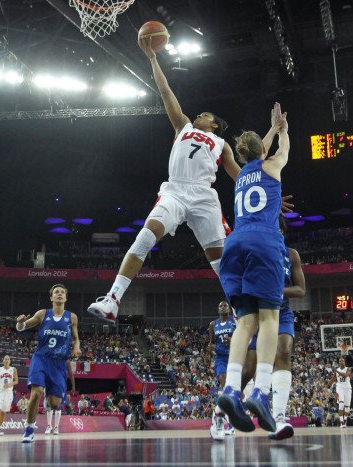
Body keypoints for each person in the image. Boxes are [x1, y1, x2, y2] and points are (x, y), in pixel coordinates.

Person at [86, 35, 241, 324]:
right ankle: (113, 300)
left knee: (222, 262)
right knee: (146, 235)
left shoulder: (221, 144)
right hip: (175, 190)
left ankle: (239, 309)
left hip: (205, 196)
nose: (198, 114)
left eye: (205, 114)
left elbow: (239, 176)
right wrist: (153, 59)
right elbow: (165, 90)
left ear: (215, 125)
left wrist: (265, 191)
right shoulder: (182, 125)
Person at [217, 103, 290, 435]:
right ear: (263, 150)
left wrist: (270, 130)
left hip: (235, 242)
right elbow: (280, 152)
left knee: (245, 323)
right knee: (269, 318)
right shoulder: (272, 165)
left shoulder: (241, 175)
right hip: (263, 239)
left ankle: (231, 388)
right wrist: (283, 132)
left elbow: (254, 149)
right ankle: (260, 388)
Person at [239, 216, 305, 441]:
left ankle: (279, 418)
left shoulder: (291, 255)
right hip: (258, 315)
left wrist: (278, 290)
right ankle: (222, 412)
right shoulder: (255, 252)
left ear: (282, 232)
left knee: (284, 351)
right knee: (248, 371)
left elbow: (300, 289)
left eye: (277, 229)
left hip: (282, 313)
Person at [15, 284, 82, 442]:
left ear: (65, 298)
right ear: (51, 298)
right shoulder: (43, 314)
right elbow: (23, 327)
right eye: (56, 292)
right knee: (36, 392)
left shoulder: (72, 317)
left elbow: (76, 337)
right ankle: (29, 429)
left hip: (58, 363)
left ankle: (48, 393)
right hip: (41, 358)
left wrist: (77, 346)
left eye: (62, 292)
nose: (59, 294)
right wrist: (19, 323)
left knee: (54, 404)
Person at [209, 300, 236, 441]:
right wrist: (210, 348)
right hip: (221, 359)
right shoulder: (213, 325)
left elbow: (242, 337)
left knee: (234, 391)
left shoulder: (234, 321)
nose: (223, 306)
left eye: (226, 305)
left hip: (234, 356)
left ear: (229, 309)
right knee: (225, 386)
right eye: (221, 305)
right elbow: (211, 343)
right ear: (218, 310)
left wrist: (233, 340)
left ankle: (228, 421)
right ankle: (221, 418)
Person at [0, 355, 18, 436]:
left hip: (8, 392)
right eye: (5, 359)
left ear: (10, 361)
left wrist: (10, 384)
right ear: (3, 360)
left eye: (8, 359)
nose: (6, 360)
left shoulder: (13, 369)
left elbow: (16, 381)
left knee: (4, 412)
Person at [328, 355, 353, 428]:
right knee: (341, 404)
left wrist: (336, 371)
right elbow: (332, 380)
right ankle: (341, 422)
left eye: (342, 360)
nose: (341, 362)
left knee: (347, 407)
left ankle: (345, 420)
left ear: (344, 362)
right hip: (340, 388)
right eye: (340, 361)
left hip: (347, 388)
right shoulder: (337, 371)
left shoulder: (348, 369)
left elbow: (345, 376)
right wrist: (327, 386)